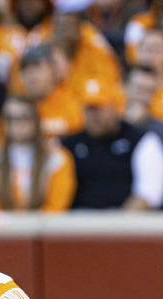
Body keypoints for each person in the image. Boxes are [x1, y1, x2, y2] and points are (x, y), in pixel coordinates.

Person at [62, 76, 163, 210]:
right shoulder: (69, 144)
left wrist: (119, 224)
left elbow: (148, 193)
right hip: (75, 221)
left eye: (99, 108)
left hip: (123, 223)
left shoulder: (141, 140)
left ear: (115, 107)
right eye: (89, 108)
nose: (94, 115)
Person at [0, 96, 76, 212]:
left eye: (23, 117)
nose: (16, 123)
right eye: (9, 118)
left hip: (42, 227)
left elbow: (56, 207)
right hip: (0, 227)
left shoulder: (57, 157)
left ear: (36, 120)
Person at [20, 44, 84, 138]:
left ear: (53, 70)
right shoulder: (18, 106)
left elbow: (76, 125)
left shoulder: (72, 97)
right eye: (25, 69)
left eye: (36, 67)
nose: (30, 75)